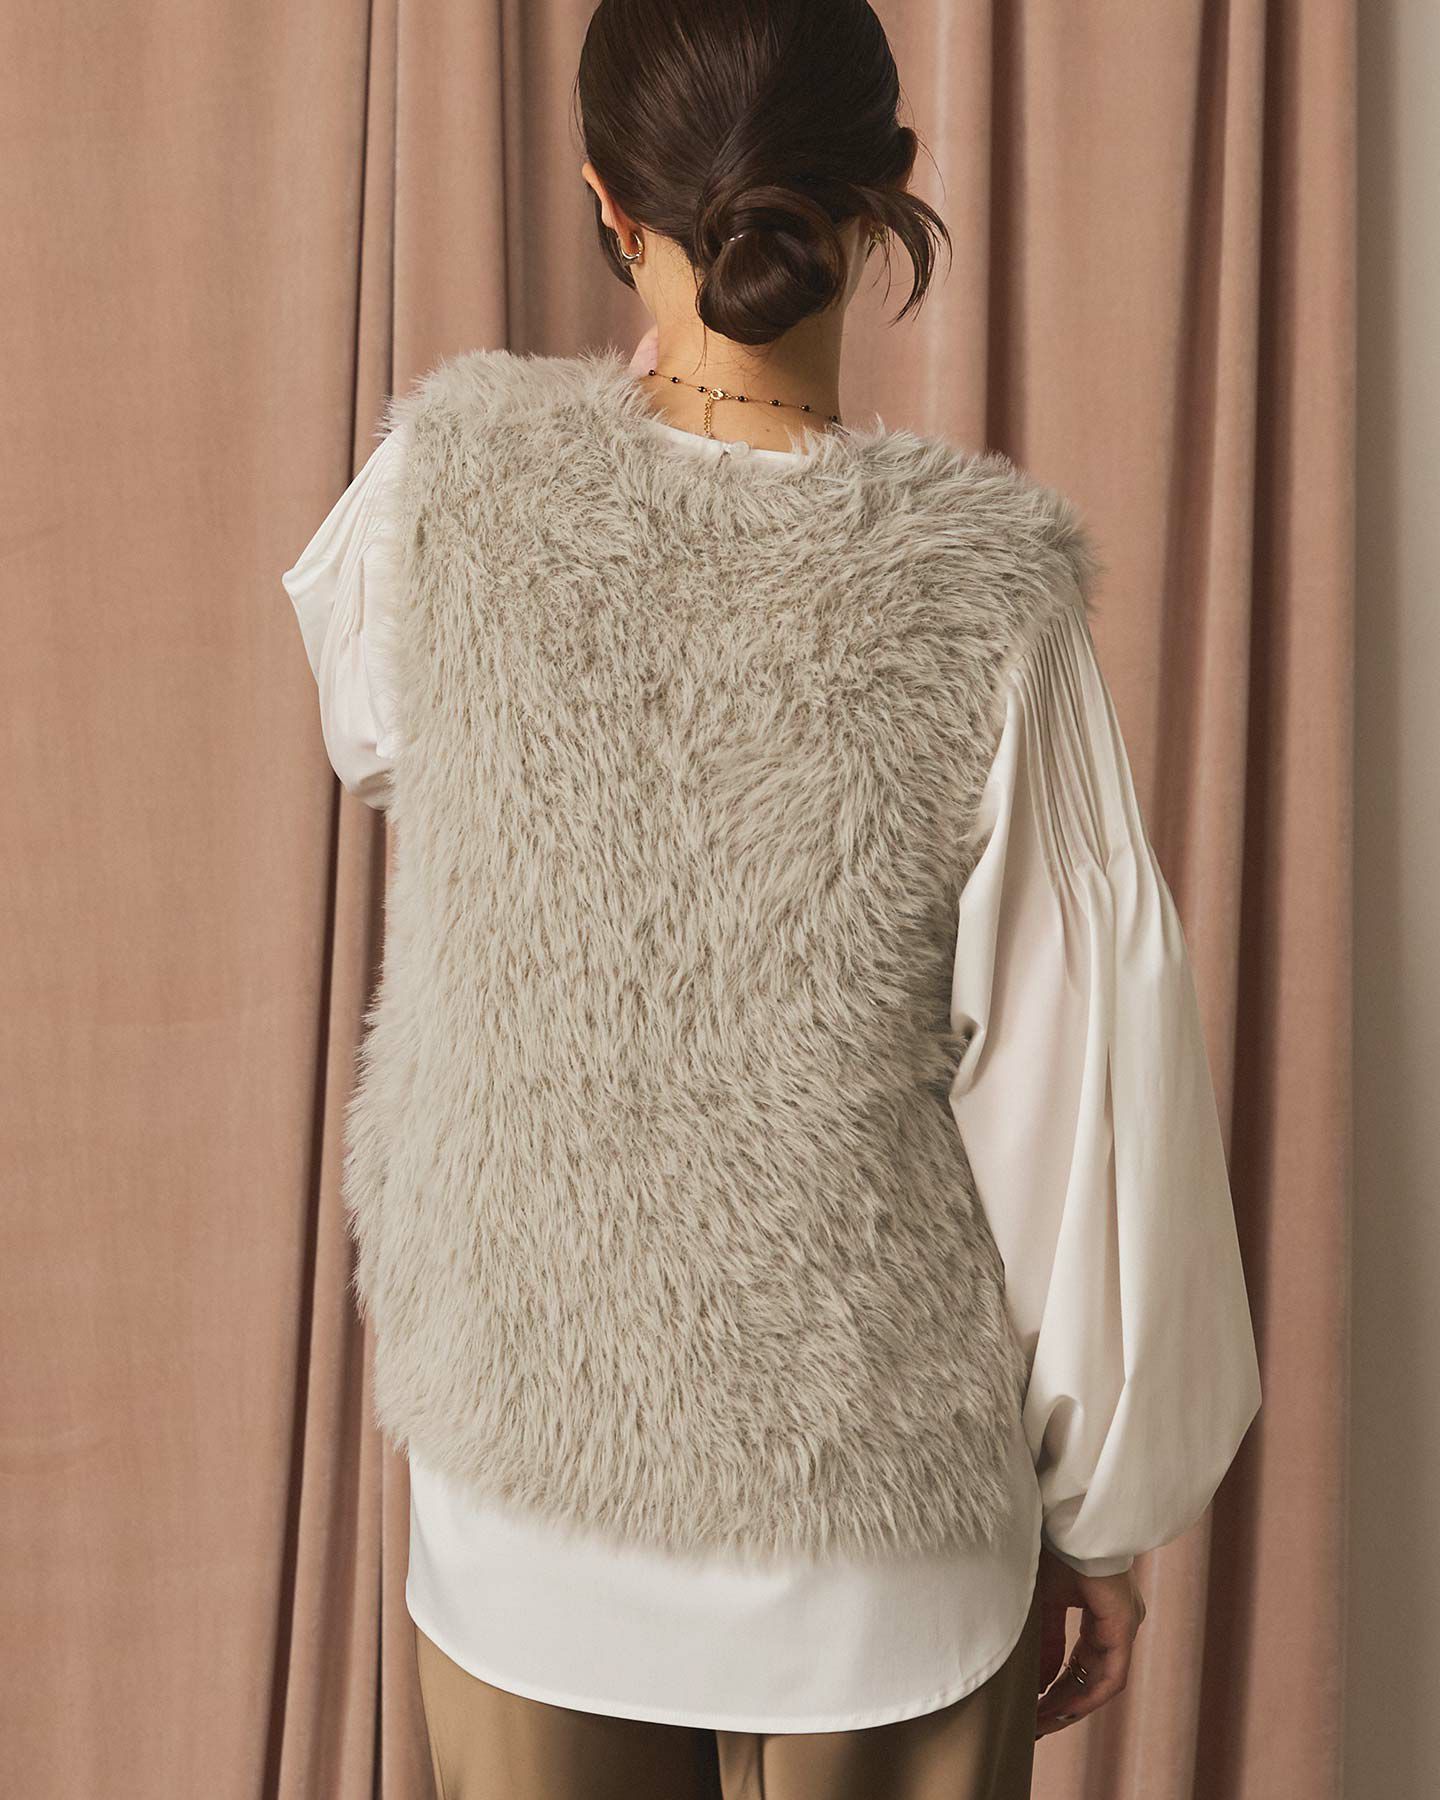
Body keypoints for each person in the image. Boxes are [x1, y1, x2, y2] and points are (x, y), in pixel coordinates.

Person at [282, 3, 1261, 1795]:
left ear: (606, 197)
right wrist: (1104, 1518)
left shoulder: (441, 496)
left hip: (527, 1489)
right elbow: (1077, 1101)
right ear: (885, 190)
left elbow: (382, 742)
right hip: (871, 1523)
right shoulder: (985, 603)